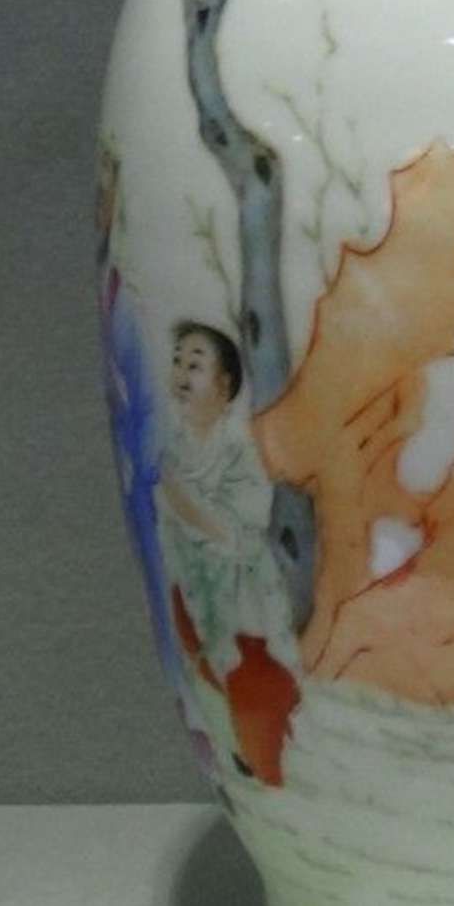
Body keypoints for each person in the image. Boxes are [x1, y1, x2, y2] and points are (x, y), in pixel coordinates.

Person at [159, 321, 300, 785]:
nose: (181, 372)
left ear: (224, 385)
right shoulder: (174, 451)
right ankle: (238, 754)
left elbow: (244, 530)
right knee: (204, 671)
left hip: (241, 595)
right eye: (178, 361)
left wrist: (187, 507)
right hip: (193, 584)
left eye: (195, 364)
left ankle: (266, 760)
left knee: (248, 677)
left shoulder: (240, 451)